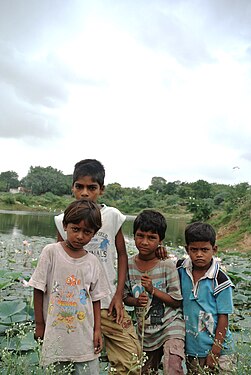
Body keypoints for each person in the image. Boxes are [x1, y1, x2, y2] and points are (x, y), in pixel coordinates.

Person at [54, 159, 141, 375]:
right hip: (75, 303)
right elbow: (58, 261)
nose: (85, 193)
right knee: (76, 360)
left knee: (131, 355)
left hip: (108, 302)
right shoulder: (61, 221)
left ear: (101, 190)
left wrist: (119, 295)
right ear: (72, 187)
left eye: (91, 188)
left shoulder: (111, 216)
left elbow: (122, 254)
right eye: (79, 187)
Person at [29, 198, 110, 374]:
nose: (80, 236)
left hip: (84, 337)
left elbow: (96, 299)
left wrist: (97, 330)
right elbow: (38, 289)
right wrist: (40, 324)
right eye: (75, 229)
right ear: (65, 226)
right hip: (55, 334)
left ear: (94, 233)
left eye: (87, 232)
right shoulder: (51, 252)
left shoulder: (92, 262)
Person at [123, 209, 185, 375]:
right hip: (145, 331)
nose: (144, 242)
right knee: (145, 371)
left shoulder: (167, 265)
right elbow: (124, 297)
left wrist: (152, 290)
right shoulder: (127, 265)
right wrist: (135, 302)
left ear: (160, 241)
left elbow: (176, 301)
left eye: (151, 238)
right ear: (134, 235)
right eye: (140, 235)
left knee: (173, 365)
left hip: (170, 325)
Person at [177, 221, 235, 374]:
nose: (199, 254)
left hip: (220, 350)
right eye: (194, 249)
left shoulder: (220, 280)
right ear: (186, 249)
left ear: (214, 249)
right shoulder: (180, 269)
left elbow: (224, 317)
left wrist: (216, 350)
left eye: (204, 249)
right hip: (193, 348)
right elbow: (161, 262)